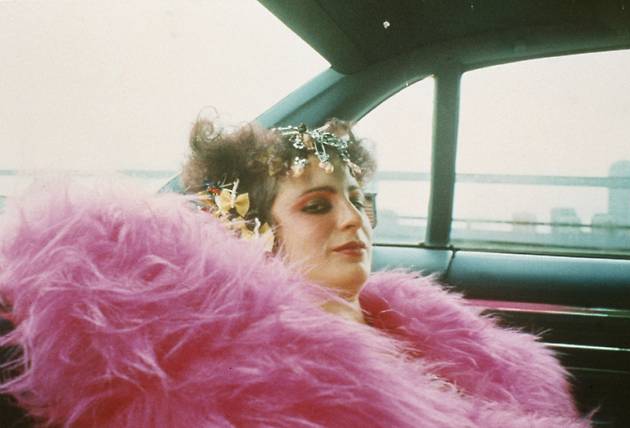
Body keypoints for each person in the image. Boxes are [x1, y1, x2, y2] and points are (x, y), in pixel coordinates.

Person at [0, 117, 590, 427]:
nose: (354, 218)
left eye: (358, 198)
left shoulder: (437, 333)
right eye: (316, 205)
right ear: (253, 229)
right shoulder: (247, 388)